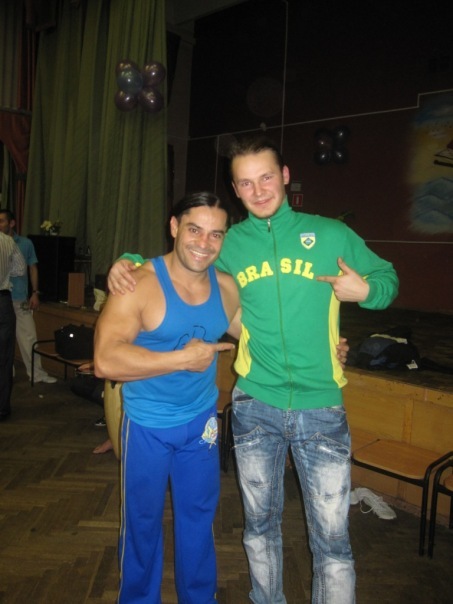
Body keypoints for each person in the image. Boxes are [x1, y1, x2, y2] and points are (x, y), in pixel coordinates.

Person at [108, 135, 399, 604]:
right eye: (245, 183)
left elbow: (388, 278)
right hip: (254, 404)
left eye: (266, 178)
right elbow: (183, 259)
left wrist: (365, 291)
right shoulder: (230, 243)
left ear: (285, 176)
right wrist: (130, 262)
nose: (258, 190)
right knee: (259, 530)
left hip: (321, 405)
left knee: (333, 541)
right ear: (235, 189)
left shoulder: (331, 234)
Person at [94, 192, 241, 603]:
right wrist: (182, 360)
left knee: (199, 521)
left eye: (216, 234)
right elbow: (105, 360)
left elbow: (263, 338)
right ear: (174, 227)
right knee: (141, 525)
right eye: (194, 229)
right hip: (147, 426)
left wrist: (328, 349)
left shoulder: (227, 288)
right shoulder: (137, 283)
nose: (204, 243)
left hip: (201, 423)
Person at [0, 209, 57, 383]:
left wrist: (35, 293)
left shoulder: (25, 243)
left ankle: (36, 373)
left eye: (2, 221)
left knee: (29, 337)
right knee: (3, 340)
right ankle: (6, 373)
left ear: (12, 223)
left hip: (19, 298)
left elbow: (32, 268)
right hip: (2, 299)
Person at [0, 230, 26, 421]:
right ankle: (2, 408)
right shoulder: (7, 240)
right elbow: (20, 269)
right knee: (4, 358)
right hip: (3, 302)